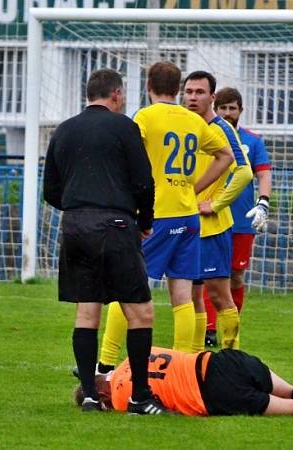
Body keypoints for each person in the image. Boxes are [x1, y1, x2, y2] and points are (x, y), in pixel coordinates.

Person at [96, 62, 237, 373]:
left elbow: (126, 152)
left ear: (149, 86)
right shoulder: (193, 120)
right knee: (183, 293)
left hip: (158, 214)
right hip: (188, 216)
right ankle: (183, 366)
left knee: (129, 287)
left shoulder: (145, 117)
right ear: (178, 89)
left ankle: (105, 362)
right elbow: (226, 156)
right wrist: (193, 186)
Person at [42, 69, 166, 415]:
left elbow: (50, 189)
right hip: (115, 224)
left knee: (87, 311)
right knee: (140, 311)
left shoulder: (63, 130)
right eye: (122, 95)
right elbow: (144, 181)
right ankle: (140, 397)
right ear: (115, 94)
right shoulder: (124, 126)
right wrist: (144, 222)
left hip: (75, 225)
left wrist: (78, 208)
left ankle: (91, 397)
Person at [75, 346, 293, 422]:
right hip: (222, 360)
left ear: (102, 396)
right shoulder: (133, 355)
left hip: (214, 392)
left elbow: (163, 413)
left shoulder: (121, 399)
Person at [182, 72, 253, 350]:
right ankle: (195, 356)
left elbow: (244, 173)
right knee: (190, 294)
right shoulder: (186, 127)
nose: (192, 97)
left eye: (199, 92)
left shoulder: (221, 128)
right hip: (187, 223)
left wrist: (217, 203)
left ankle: (231, 354)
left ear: (212, 97)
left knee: (219, 295)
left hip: (212, 226)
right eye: (188, 92)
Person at [207, 87, 273, 346]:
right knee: (207, 275)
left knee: (235, 274)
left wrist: (263, 203)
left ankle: (231, 323)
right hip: (211, 215)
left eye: (232, 108)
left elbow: (263, 174)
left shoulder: (252, 141)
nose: (227, 113)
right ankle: (210, 329)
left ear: (240, 111)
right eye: (222, 108)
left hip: (241, 221)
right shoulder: (206, 136)